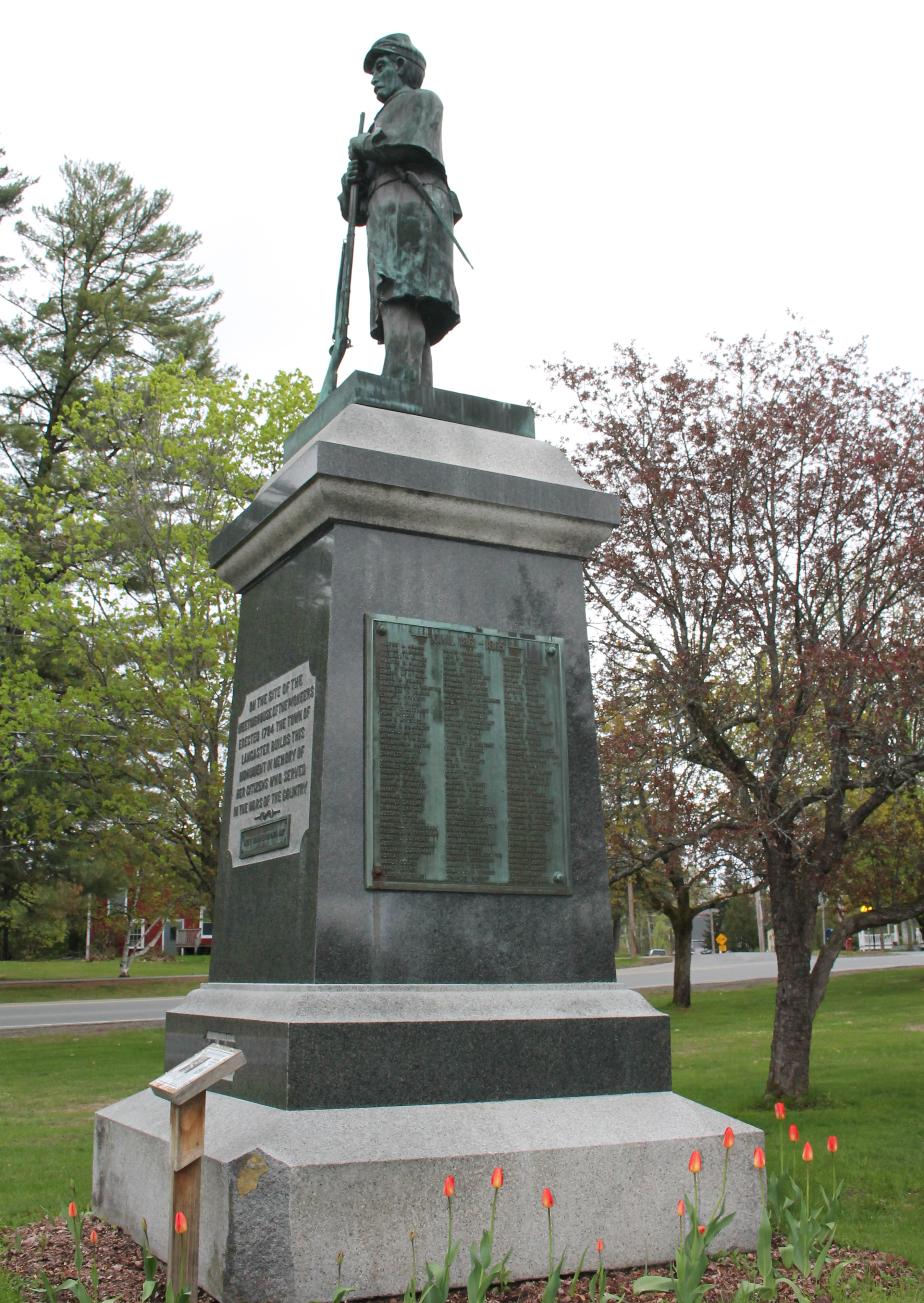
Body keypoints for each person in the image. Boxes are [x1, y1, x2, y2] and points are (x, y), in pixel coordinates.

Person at [340, 34, 460, 387]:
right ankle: (412, 392)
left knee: (402, 297)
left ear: (402, 67)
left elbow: (403, 145)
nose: (374, 78)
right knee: (398, 302)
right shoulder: (381, 120)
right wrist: (352, 182)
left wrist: (361, 145)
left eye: (380, 67)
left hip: (412, 206)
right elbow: (354, 213)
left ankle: (399, 386)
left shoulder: (422, 102)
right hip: (384, 213)